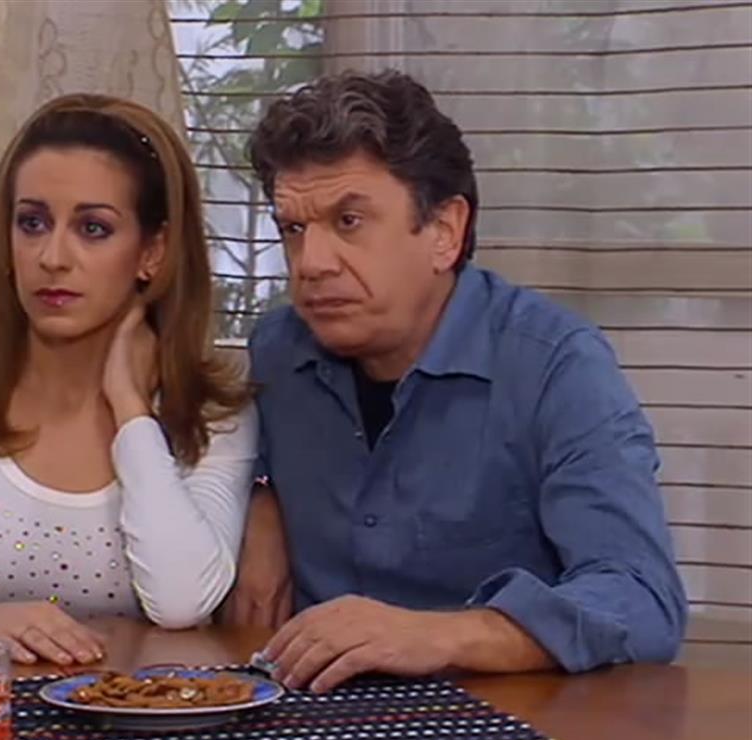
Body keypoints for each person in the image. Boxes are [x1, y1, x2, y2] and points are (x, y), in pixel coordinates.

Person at [223, 70, 687, 693]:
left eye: (350, 221)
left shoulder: (556, 366)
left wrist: (438, 635)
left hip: (502, 715)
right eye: (294, 229)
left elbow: (641, 599)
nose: (312, 264)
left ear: (444, 232)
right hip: (309, 713)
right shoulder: (277, 353)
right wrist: (264, 496)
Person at [0, 94, 257, 674]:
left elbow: (181, 601)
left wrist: (131, 410)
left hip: (136, 720)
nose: (52, 257)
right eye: (32, 223)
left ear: (153, 251)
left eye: (93, 228)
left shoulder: (213, 410)